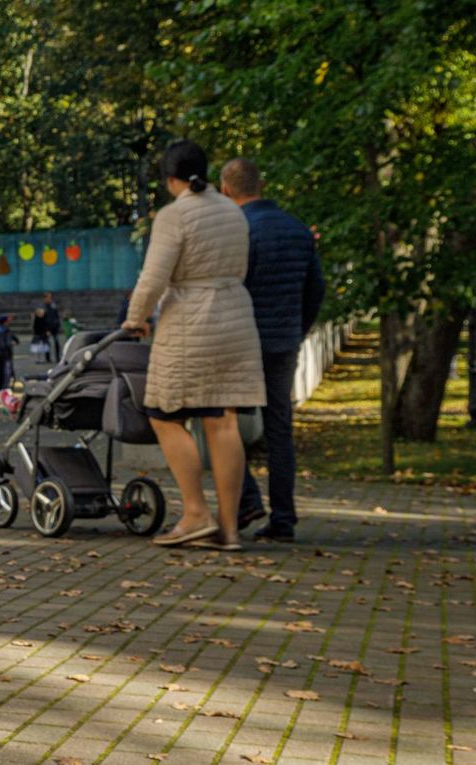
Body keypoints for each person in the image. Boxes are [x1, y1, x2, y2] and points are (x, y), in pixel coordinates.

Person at [124, 139, 264, 552]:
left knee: (164, 414)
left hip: (191, 322)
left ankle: (195, 513)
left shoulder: (174, 215)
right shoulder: (233, 211)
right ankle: (229, 529)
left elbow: (154, 276)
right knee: (223, 420)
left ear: (171, 179)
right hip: (235, 318)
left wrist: (135, 318)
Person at [221, 157, 325, 543]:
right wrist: (298, 329)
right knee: (280, 430)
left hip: (243, 342)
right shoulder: (297, 229)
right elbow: (316, 288)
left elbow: (231, 288)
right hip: (283, 342)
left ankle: (247, 499)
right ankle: (284, 519)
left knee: (221, 420)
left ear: (226, 190)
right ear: (260, 184)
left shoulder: (238, 230)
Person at [0, 315, 18, 392]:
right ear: (5, 322)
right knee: (5, 369)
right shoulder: (7, 331)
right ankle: (4, 385)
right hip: (5, 353)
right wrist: (13, 343)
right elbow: (9, 342)